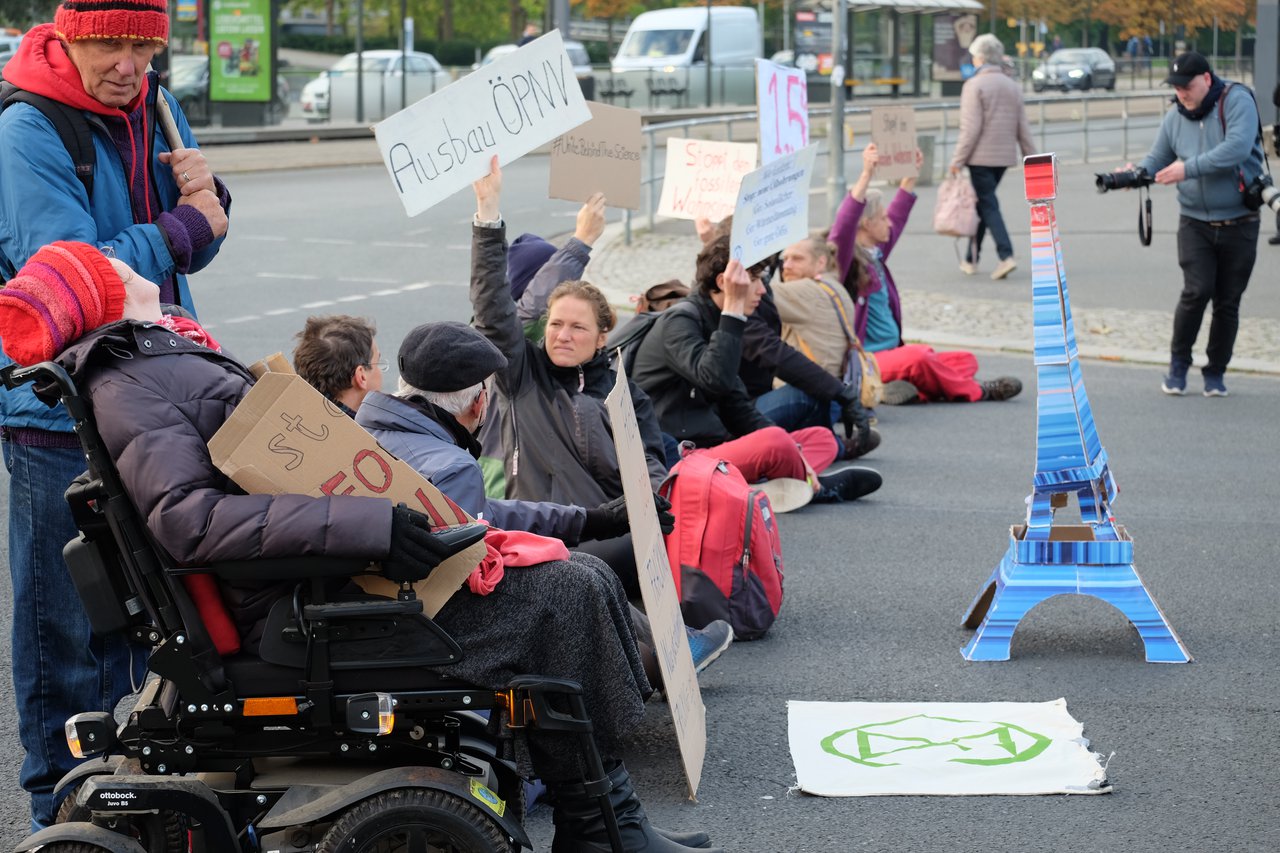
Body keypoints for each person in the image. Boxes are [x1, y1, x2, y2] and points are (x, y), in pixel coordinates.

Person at [0, 241, 721, 853]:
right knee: (565, 594)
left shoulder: (159, 359)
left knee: (575, 579)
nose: (130, 265)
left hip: (312, 581)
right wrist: (368, 527)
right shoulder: (137, 381)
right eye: (110, 266)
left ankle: (604, 822)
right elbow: (190, 520)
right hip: (301, 603)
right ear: (101, 294)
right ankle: (603, 827)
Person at [0, 0, 230, 828]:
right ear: (67, 33)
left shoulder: (152, 105)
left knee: (149, 621)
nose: (128, 63)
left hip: (145, 397)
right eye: (110, 44)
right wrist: (182, 225)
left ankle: (130, 799)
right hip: (58, 415)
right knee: (65, 632)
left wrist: (207, 211)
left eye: (143, 43)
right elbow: (70, 274)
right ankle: (57, 819)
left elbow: (193, 242)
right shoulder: (28, 129)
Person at [631, 233, 882, 504]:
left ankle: (765, 484)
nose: (762, 290)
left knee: (820, 439)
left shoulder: (718, 319)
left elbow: (737, 404)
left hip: (715, 447)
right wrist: (733, 311)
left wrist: (791, 449)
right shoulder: (680, 321)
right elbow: (715, 379)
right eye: (754, 280)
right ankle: (817, 488)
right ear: (724, 283)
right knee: (776, 442)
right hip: (681, 457)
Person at [829, 144, 1022, 405]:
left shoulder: (874, 254)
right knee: (919, 358)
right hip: (867, 362)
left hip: (893, 352)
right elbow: (843, 227)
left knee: (964, 360)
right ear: (865, 224)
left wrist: (910, 177)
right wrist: (866, 174)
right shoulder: (845, 262)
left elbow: (898, 216)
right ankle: (979, 391)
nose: (889, 223)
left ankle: (896, 390)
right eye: (882, 218)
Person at [1129, 51, 1265, 397]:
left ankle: (1215, 371)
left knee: (1227, 300)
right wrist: (1131, 175)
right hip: (1195, 221)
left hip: (1241, 220)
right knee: (1196, 291)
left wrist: (1186, 169)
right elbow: (1157, 158)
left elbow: (1235, 148)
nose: (1181, 95)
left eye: (1186, 87)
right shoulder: (1175, 116)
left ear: (1206, 79)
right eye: (1175, 88)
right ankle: (1178, 364)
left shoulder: (1237, 101)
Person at [949, 32, 1036, 281]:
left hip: (979, 158)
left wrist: (957, 160)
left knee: (988, 205)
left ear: (980, 58)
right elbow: (1023, 128)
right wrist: (1033, 158)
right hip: (1004, 157)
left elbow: (970, 129)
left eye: (975, 56)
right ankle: (970, 259)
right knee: (984, 205)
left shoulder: (974, 86)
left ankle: (1005, 255)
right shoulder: (1012, 86)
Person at [291, 315, 384, 416]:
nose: (380, 372)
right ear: (361, 377)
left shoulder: (290, 416)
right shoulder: (365, 430)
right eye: (377, 363)